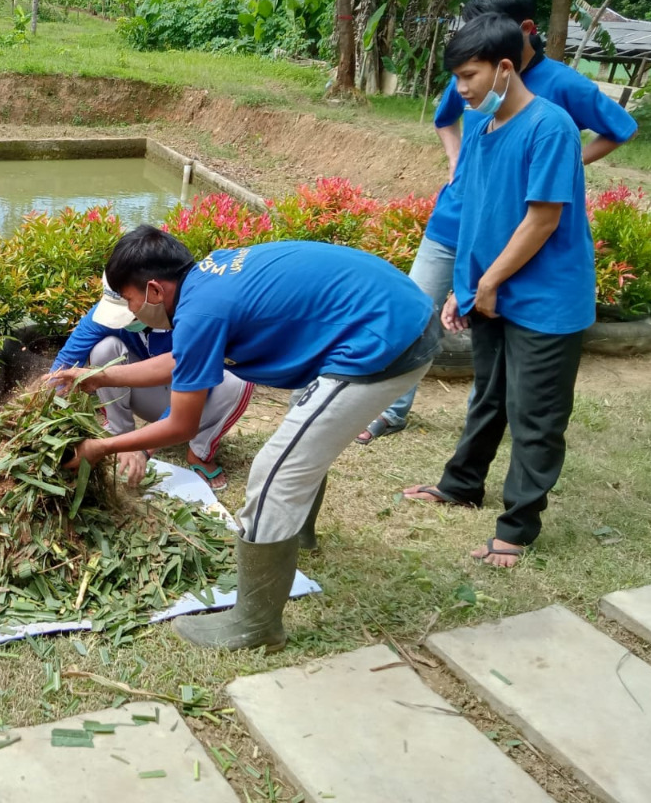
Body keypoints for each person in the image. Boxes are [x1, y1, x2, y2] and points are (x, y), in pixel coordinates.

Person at [54, 228, 439, 651]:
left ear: (152, 290)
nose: (129, 311)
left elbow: (182, 425)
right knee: (304, 442)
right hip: (378, 318)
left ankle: (256, 624)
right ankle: (300, 535)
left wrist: (103, 447)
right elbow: (182, 358)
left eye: (128, 301)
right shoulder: (204, 283)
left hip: (383, 340)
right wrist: (98, 376)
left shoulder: (202, 310)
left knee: (275, 471)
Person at [358, 0, 637, 444]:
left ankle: (475, 440)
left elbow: (619, 128)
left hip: (507, 233)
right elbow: (445, 116)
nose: (465, 82)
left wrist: (567, 165)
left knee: (490, 334)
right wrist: (453, 161)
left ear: (523, 30)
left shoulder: (559, 90)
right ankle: (391, 410)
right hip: (454, 223)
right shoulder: (475, 77)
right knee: (412, 311)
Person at [402, 14, 595, 567]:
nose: (461, 89)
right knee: (488, 397)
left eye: (470, 75)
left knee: (535, 413)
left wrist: (486, 282)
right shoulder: (483, 131)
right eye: (457, 78)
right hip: (491, 294)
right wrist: (463, 288)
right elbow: (478, 218)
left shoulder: (550, 127)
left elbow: (542, 220)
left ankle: (517, 527)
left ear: (505, 67)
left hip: (546, 301)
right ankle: (461, 484)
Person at [46, 274, 254, 490]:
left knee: (236, 376)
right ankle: (120, 435)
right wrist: (43, 405)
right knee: (104, 349)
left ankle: (200, 453)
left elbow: (202, 380)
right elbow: (66, 361)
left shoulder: (191, 318)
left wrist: (144, 449)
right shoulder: (105, 313)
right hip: (149, 393)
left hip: (193, 403)